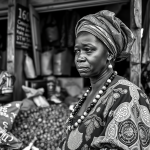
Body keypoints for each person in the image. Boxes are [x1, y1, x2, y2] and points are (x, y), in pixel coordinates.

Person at [58, 10, 150, 150]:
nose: (80, 57)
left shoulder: (126, 95)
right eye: (77, 50)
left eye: (88, 50)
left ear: (109, 54)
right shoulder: (91, 93)